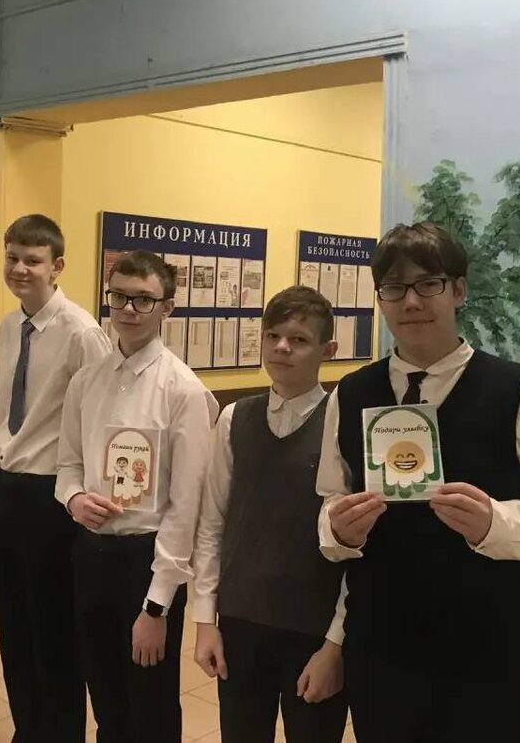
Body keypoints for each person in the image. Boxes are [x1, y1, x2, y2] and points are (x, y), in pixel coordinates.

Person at [316, 222, 520, 743]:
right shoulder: (350, 395)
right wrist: (339, 532)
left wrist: (496, 523)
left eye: (428, 284)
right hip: (382, 651)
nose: (410, 301)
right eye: (394, 288)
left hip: (489, 654)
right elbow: (332, 498)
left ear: (459, 290)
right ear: (380, 298)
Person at [57, 250, 217, 743]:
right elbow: (67, 466)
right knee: (105, 697)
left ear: (167, 307)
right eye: (119, 296)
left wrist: (156, 607)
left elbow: (185, 507)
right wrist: (75, 500)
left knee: (150, 705)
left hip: (146, 563)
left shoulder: (183, 390)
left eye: (143, 299)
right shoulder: (86, 381)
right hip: (90, 555)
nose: (128, 308)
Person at [193, 285, 348, 743]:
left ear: (328, 350)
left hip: (313, 628)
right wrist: (205, 621)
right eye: (273, 335)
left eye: (299, 339)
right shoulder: (234, 418)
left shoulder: (343, 425)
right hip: (241, 622)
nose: (282, 347)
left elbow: (359, 551)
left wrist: (336, 646)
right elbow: (212, 524)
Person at [0, 214, 111, 743]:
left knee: (52, 634)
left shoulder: (82, 332)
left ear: (56, 266)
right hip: (5, 487)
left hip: (49, 496)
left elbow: (101, 416)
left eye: (33, 260)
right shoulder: (7, 326)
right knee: (14, 630)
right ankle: (28, 730)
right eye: (12, 257)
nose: (20, 268)